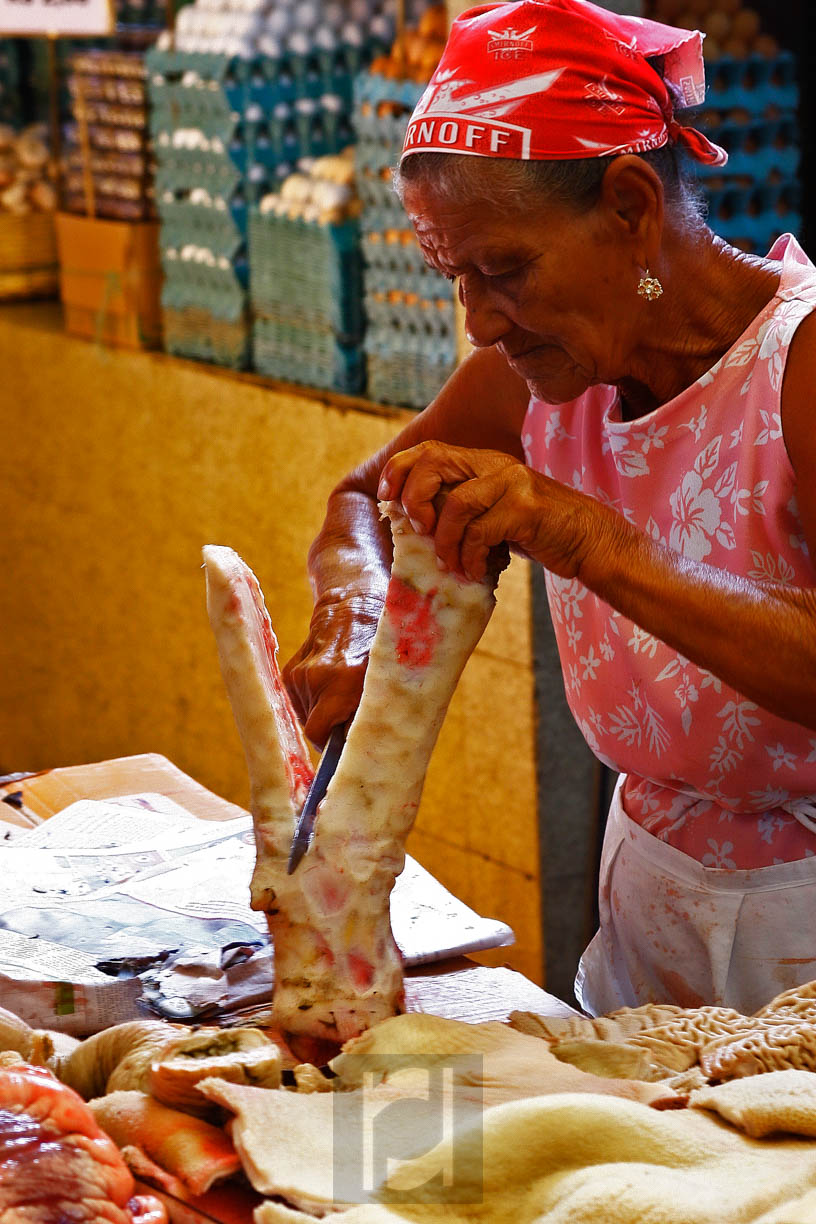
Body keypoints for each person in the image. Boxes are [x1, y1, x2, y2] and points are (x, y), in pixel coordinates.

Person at [284, 0, 816, 1017]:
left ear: (628, 207)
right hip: (651, 902)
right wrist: (356, 605)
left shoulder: (799, 369)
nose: (480, 320)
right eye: (456, 277)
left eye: (505, 270)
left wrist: (584, 535)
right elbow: (363, 497)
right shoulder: (532, 380)